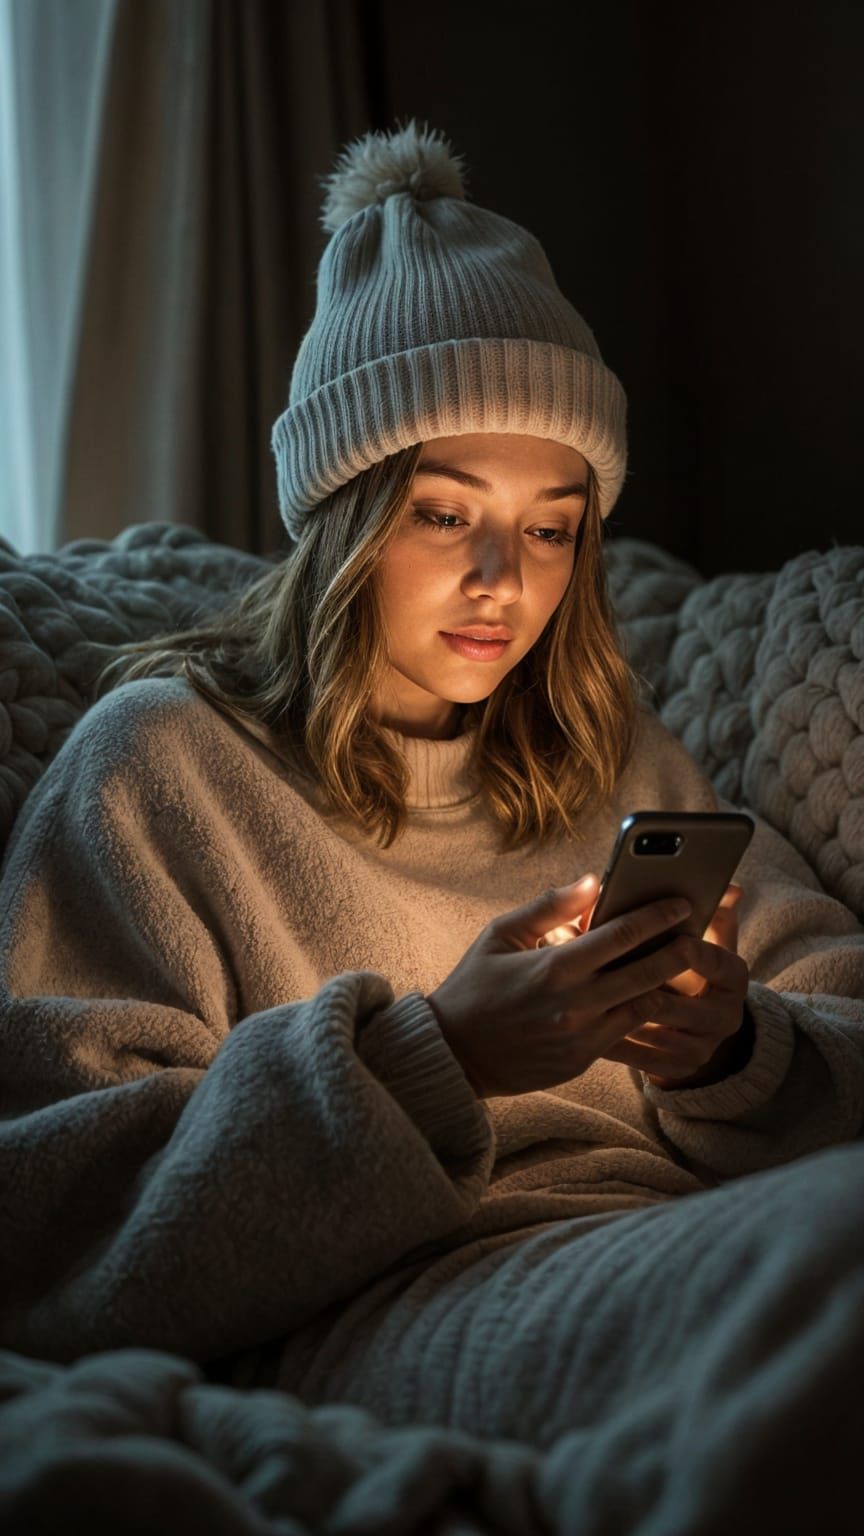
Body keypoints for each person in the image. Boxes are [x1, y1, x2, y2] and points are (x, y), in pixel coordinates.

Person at [1, 122, 862, 1485]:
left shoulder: (612, 758)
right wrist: (439, 1059)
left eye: (552, 525)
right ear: (346, 518)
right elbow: (56, 1223)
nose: (503, 581)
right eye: (445, 514)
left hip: (675, 1229)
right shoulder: (162, 769)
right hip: (406, 1292)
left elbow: (835, 1008)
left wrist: (728, 1048)